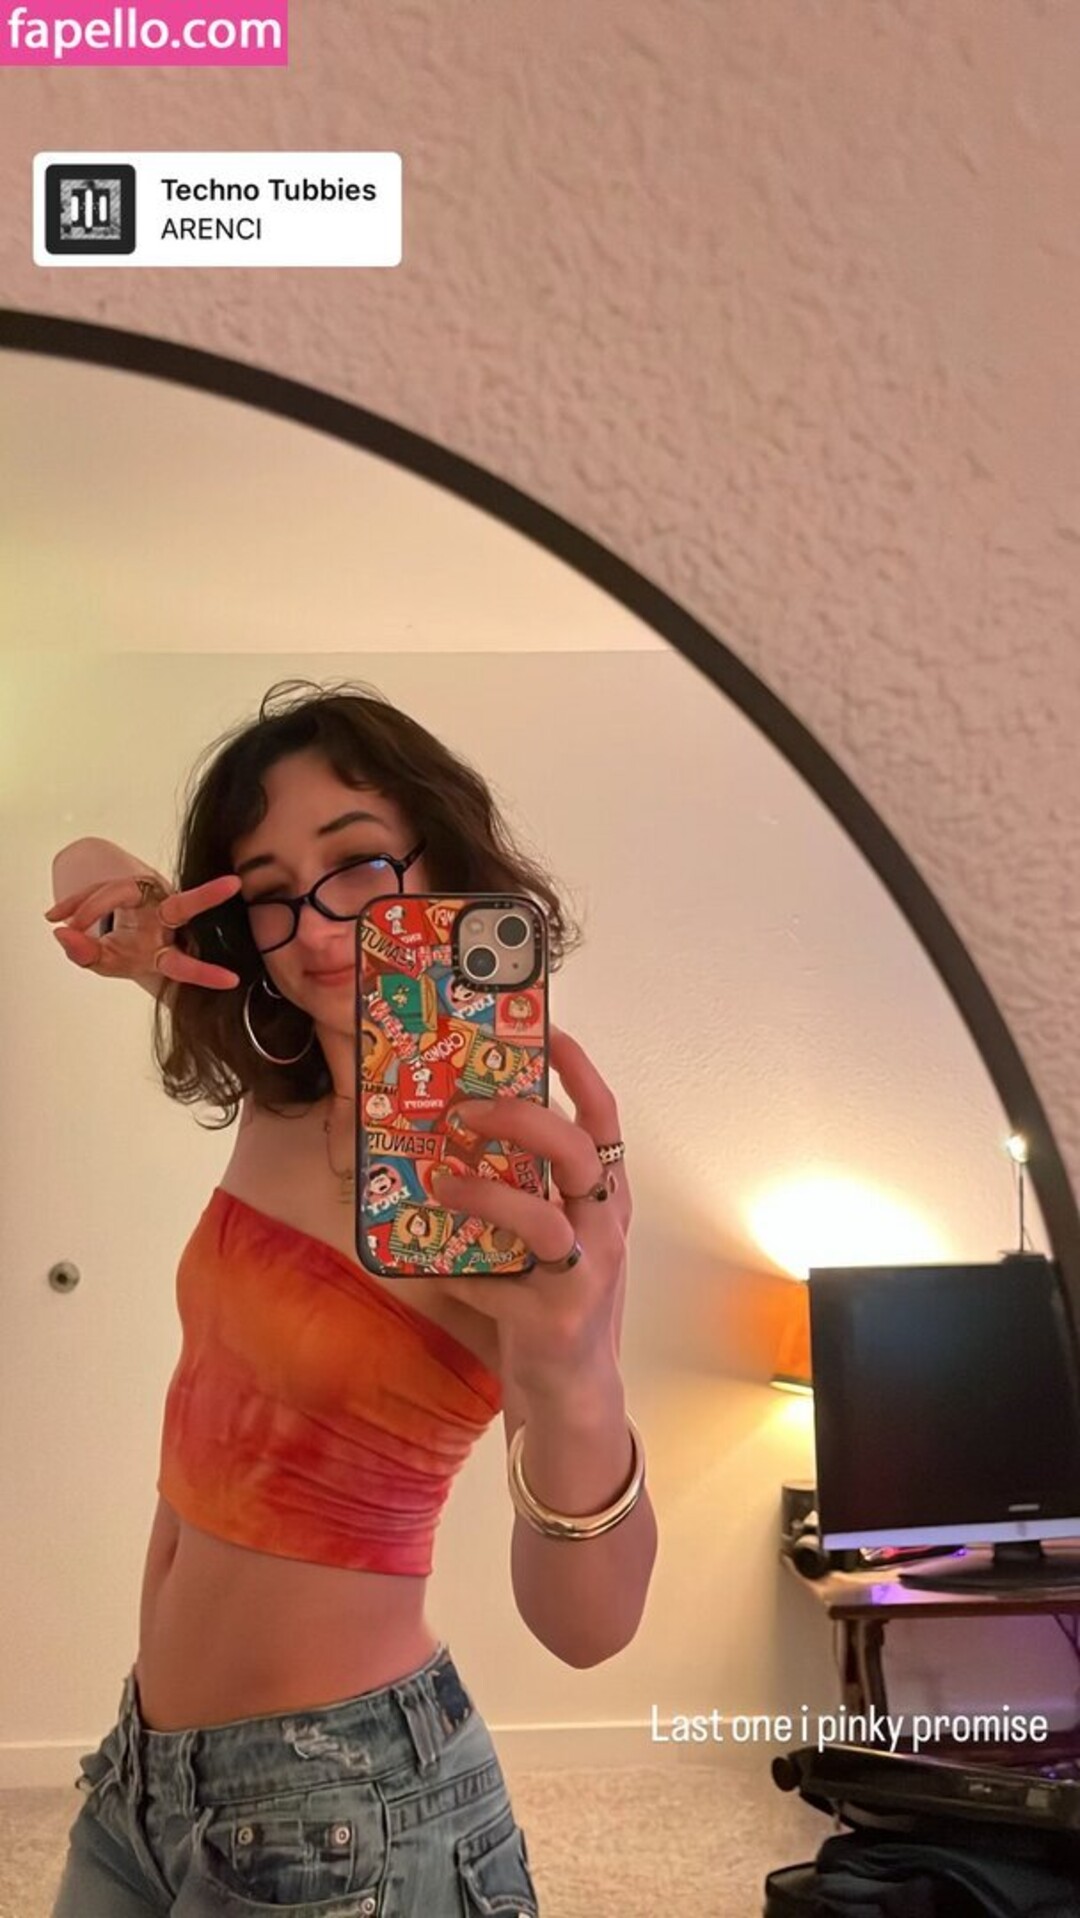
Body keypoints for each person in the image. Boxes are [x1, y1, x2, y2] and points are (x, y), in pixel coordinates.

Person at [46, 679, 657, 1917]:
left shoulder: (511, 1181)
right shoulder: (278, 1086)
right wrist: (131, 910)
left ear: (448, 872)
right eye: (270, 890)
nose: (317, 928)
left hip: (346, 1811)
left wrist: (574, 1376)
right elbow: (78, 866)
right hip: (139, 1777)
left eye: (360, 864)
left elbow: (590, 1628)